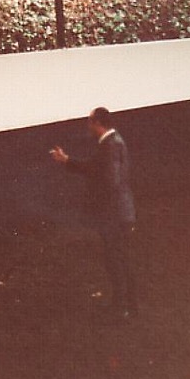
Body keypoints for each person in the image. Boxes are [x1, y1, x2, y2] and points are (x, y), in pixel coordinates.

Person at [51, 107, 138, 321]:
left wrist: (97, 201)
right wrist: (68, 161)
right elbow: (95, 169)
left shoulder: (110, 146)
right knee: (120, 259)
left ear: (98, 122)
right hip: (121, 213)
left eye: (89, 121)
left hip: (114, 215)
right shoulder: (114, 142)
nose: (88, 125)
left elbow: (109, 180)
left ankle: (123, 308)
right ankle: (127, 305)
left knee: (115, 260)